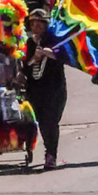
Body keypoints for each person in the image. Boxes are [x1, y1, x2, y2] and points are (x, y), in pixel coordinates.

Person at [22, 9, 67, 170]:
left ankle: (51, 154)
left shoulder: (56, 40)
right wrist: (35, 57)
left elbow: (65, 58)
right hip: (36, 89)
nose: (35, 27)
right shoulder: (30, 43)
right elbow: (26, 66)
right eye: (32, 23)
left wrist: (51, 54)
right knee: (41, 121)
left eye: (38, 23)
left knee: (51, 121)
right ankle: (46, 149)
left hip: (54, 88)